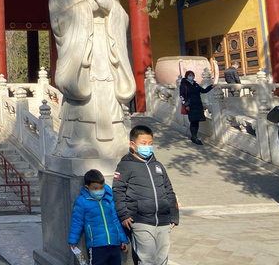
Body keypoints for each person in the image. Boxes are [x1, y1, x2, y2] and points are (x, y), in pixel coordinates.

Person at [48, 0, 136, 159]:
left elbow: (122, 19)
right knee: (84, 100)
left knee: (107, 94)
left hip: (105, 52)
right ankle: (78, 141)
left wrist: (110, 6)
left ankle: (116, 140)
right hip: (83, 56)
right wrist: (88, 7)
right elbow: (59, 24)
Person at [113, 125, 179, 265]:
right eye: (143, 143)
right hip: (140, 221)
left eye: (150, 144)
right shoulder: (125, 166)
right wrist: (124, 215)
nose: (147, 147)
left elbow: (169, 190)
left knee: (162, 259)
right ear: (133, 144)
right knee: (147, 259)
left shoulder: (158, 166)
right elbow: (118, 191)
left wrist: (174, 215)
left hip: (163, 221)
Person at [69, 169, 129, 265]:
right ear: (87, 188)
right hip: (97, 246)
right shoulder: (82, 201)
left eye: (101, 187)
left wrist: (123, 239)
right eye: (95, 188)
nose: (99, 191)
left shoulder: (108, 199)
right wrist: (72, 240)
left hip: (114, 244)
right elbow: (77, 222)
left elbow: (115, 220)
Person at [179, 70, 213, 145]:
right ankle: (194, 137)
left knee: (197, 121)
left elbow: (203, 91)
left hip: (198, 105)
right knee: (193, 121)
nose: (191, 77)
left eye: (192, 75)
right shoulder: (184, 85)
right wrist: (186, 105)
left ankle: (194, 136)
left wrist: (211, 87)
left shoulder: (195, 84)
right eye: (190, 75)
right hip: (190, 106)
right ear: (187, 76)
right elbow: (182, 96)